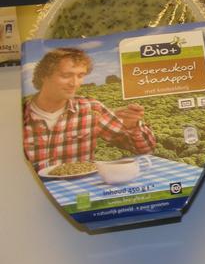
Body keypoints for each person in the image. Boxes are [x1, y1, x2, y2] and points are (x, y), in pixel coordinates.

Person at [23, 48, 156, 172]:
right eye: (66, 75)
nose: (74, 83)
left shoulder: (91, 109)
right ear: (44, 76)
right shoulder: (20, 116)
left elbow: (144, 150)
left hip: (81, 187)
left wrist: (132, 126)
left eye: (80, 76)